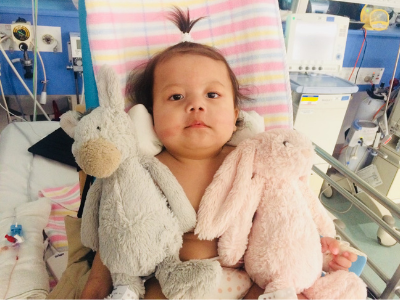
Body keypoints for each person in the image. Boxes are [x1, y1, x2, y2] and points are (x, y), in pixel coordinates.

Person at [80, 7, 357, 299]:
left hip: (244, 278)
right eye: (176, 97)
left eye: (212, 95)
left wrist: (324, 250)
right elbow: (119, 229)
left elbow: (288, 221)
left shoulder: (250, 164)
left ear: (236, 114)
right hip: (173, 279)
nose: (196, 106)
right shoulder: (144, 170)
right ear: (151, 115)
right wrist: (96, 283)